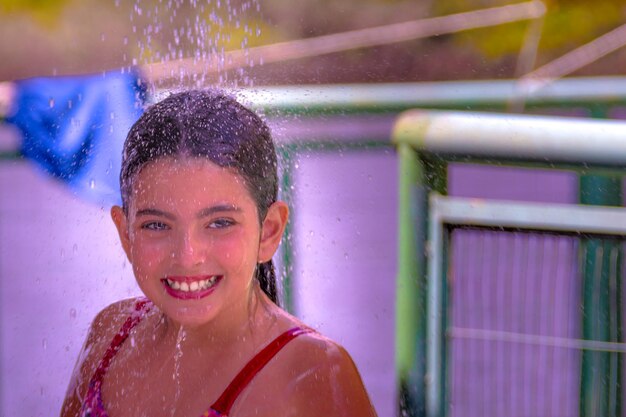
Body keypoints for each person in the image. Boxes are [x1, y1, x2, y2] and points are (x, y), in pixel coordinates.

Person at [60, 89, 378, 417]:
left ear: (268, 231)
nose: (187, 256)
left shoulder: (312, 373)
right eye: (156, 225)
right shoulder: (111, 334)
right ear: (125, 234)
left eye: (220, 223)